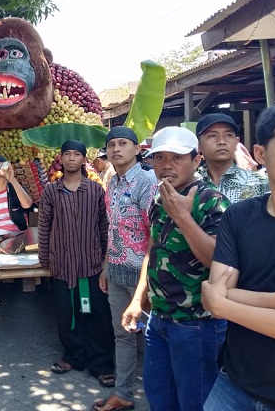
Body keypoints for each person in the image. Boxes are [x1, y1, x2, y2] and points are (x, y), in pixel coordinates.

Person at [201, 101, 275, 411]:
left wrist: (224, 303)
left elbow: (218, 298)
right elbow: (215, 290)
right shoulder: (239, 216)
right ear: (260, 154)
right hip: (233, 382)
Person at [121, 126, 230, 411]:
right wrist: (137, 299)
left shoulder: (211, 200)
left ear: (196, 161)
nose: (166, 165)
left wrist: (183, 216)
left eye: (177, 157)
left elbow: (218, 261)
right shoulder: (161, 197)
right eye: (159, 158)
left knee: (195, 402)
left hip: (196, 323)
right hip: (159, 319)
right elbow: (153, 248)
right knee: (160, 398)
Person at [38, 140, 115, 387]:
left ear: (84, 160)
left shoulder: (95, 191)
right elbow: (44, 226)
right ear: (60, 159)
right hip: (62, 265)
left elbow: (104, 227)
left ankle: (101, 364)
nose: (71, 158)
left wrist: (106, 261)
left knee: (96, 315)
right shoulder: (51, 191)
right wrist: (44, 258)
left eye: (77, 154)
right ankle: (73, 356)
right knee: (66, 315)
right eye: (67, 154)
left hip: (90, 265)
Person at [95, 127, 157, 411]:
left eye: (123, 144)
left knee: (154, 337)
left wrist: (144, 286)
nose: (116, 149)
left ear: (137, 149)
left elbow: (155, 236)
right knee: (122, 334)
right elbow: (113, 230)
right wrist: (106, 266)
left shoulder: (147, 181)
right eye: (111, 145)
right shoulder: (112, 183)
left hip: (144, 275)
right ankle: (124, 394)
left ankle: (160, 400)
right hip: (117, 270)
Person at [196, 113, 269, 202]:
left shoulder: (260, 183)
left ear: (236, 142)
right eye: (212, 135)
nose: (222, 141)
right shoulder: (191, 183)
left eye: (228, 135)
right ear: (198, 145)